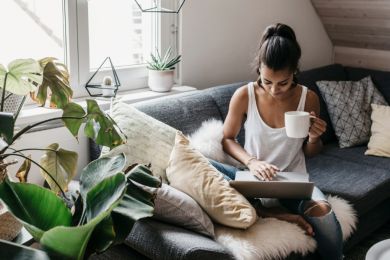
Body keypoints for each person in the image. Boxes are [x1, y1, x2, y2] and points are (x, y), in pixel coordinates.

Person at [210, 23, 343, 260]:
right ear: (259, 69)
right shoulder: (245, 95)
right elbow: (227, 139)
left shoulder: (308, 98)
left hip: (292, 183)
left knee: (325, 215)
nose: (274, 89)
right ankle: (266, 211)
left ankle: (279, 213)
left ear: (294, 71)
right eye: (267, 81)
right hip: (253, 180)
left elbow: (311, 152)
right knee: (203, 164)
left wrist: (314, 138)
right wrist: (252, 162)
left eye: (282, 82)